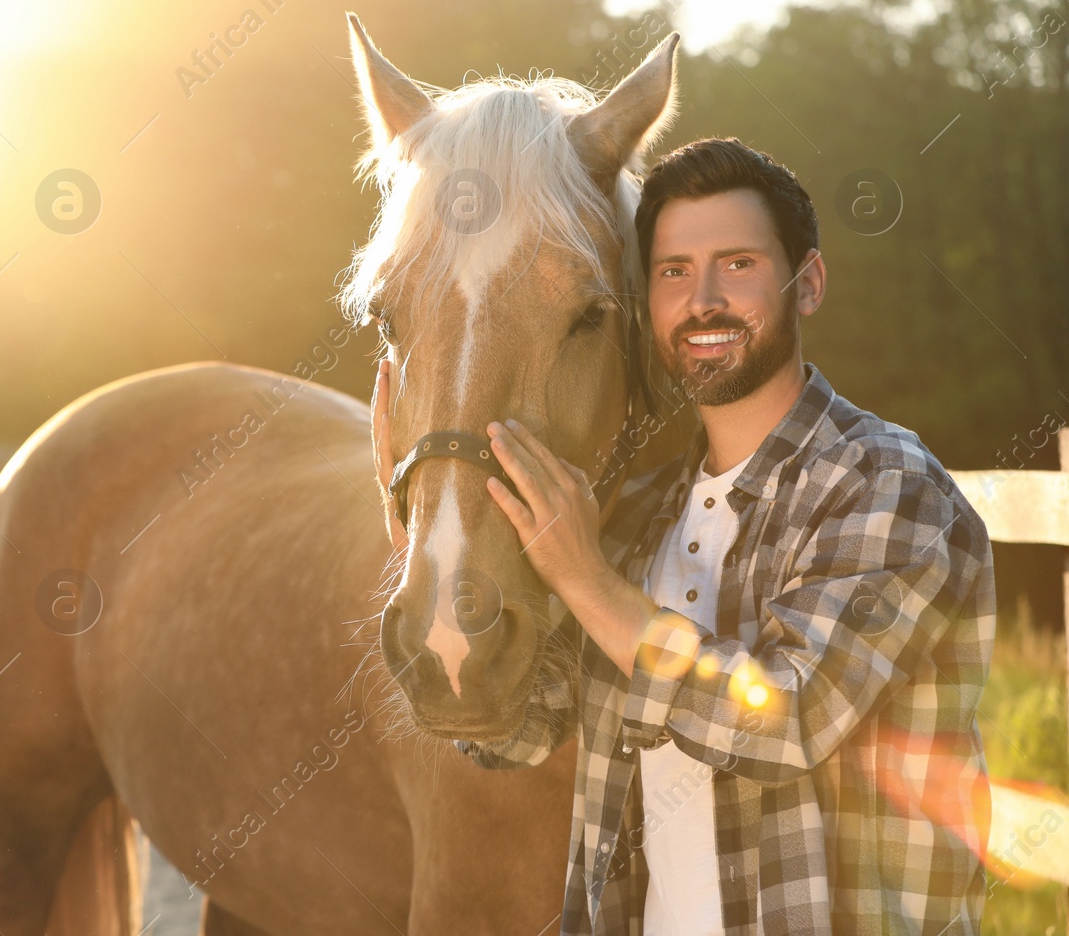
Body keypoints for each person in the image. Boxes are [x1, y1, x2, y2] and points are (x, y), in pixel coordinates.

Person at [371, 137, 994, 934]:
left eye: (737, 264)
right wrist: (435, 545)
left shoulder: (889, 486)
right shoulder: (641, 517)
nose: (702, 300)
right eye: (672, 272)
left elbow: (789, 720)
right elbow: (524, 737)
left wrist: (589, 583)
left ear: (808, 284)